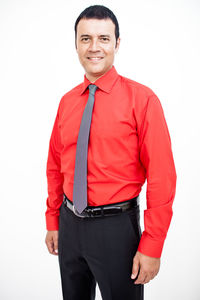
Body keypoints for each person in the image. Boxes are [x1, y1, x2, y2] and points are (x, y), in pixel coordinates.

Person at [45, 5, 177, 300]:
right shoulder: (67, 102)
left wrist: (152, 245)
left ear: (117, 43)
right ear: (76, 44)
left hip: (116, 229)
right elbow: (56, 165)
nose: (94, 48)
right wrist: (53, 221)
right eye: (85, 39)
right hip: (69, 225)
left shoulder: (142, 100)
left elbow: (162, 175)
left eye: (104, 39)